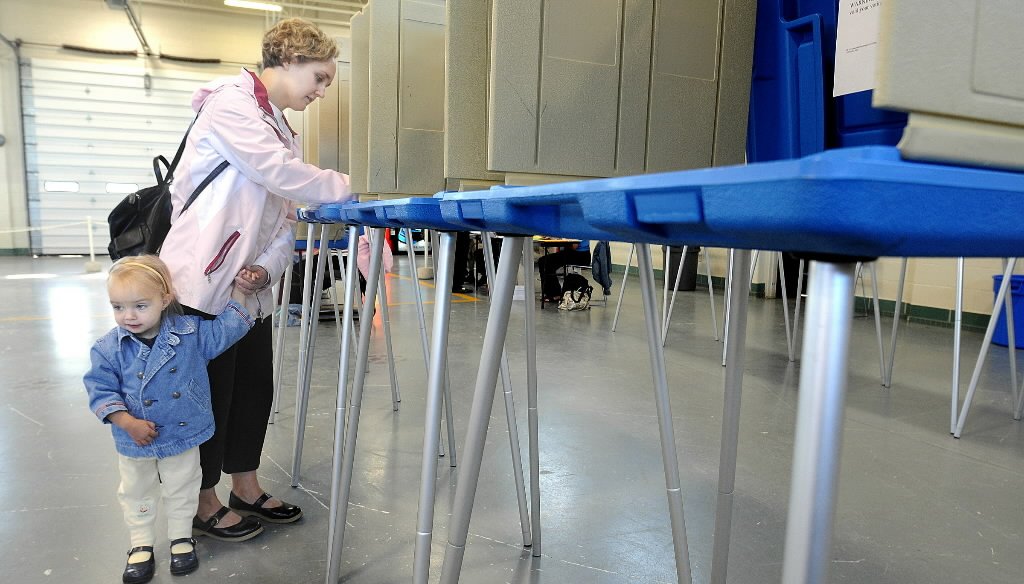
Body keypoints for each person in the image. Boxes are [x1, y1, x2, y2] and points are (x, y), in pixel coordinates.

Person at [158, 18, 354, 541]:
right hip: (202, 282)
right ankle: (203, 502)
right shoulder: (231, 104)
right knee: (209, 395)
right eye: (319, 77)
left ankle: (244, 483)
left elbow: (282, 212)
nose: (320, 90)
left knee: (251, 390)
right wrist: (349, 187)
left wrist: (267, 267)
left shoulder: (277, 122)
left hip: (249, 289)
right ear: (287, 60)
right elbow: (275, 173)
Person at [83, 256, 255, 583]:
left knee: (183, 489)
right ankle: (140, 545)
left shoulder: (190, 334)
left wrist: (239, 292)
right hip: (134, 440)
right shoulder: (108, 348)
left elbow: (225, 331)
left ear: (165, 299)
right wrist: (125, 421)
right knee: (137, 492)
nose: (128, 316)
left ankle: (180, 538)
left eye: (140, 305)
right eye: (118, 307)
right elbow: (100, 389)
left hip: (182, 432)